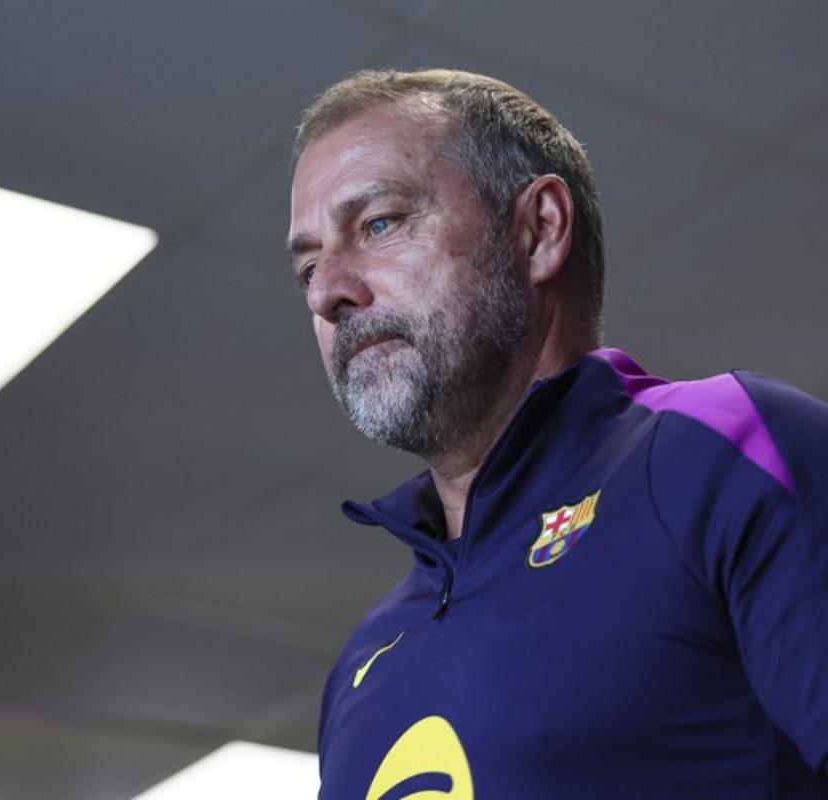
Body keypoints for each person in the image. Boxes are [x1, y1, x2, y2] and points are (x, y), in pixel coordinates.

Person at [286, 68, 828, 799]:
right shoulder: (365, 658)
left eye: (379, 223)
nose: (326, 293)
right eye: (310, 265)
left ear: (538, 230)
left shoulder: (723, 455)